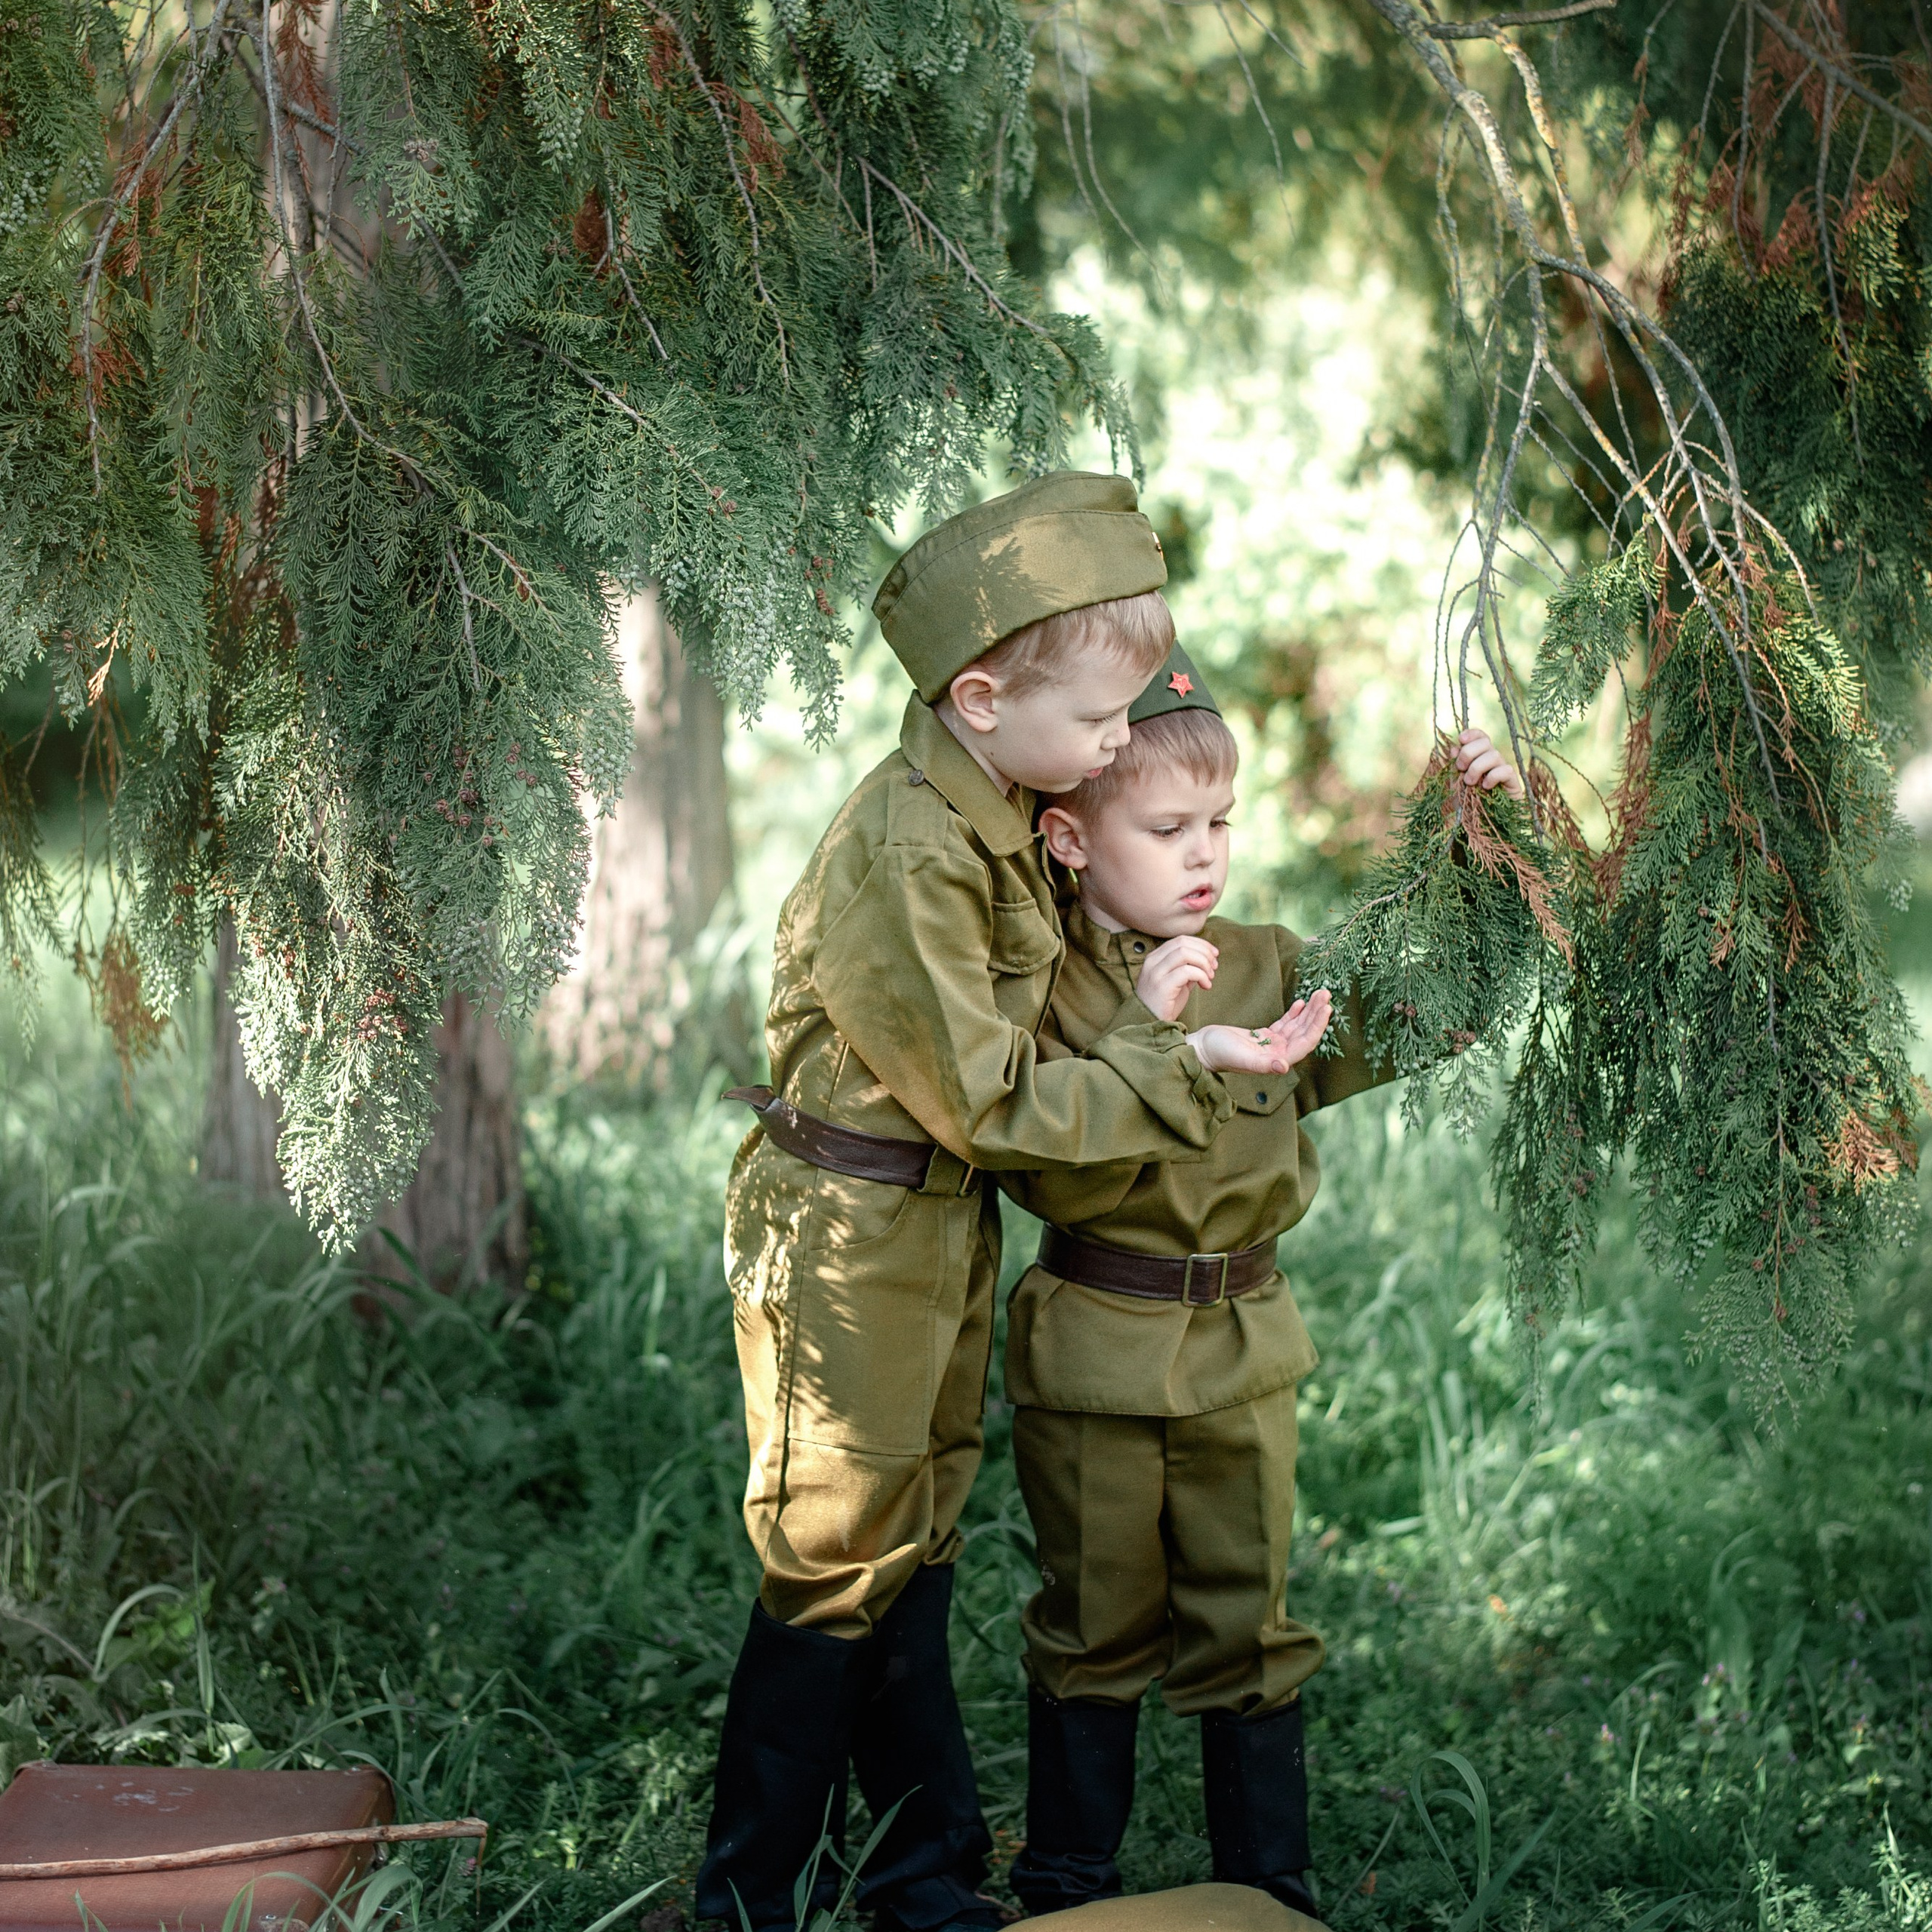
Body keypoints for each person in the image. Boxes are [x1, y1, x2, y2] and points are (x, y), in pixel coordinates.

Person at [697, 475, 1318, 1932]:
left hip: (933, 1221)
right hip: (852, 1234)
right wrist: (1177, 1061)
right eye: (1098, 721)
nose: (1117, 740)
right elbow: (988, 1103)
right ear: (980, 701)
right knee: (832, 1548)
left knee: (909, 1535)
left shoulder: (996, 811)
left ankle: (920, 1880)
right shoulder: (914, 847)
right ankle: (747, 1901)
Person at [1000, 645, 1523, 1921]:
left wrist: (1492, 855)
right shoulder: (1040, 984)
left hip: (1243, 1348)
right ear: (1069, 839)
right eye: (1168, 828)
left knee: (1251, 1619)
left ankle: (1269, 1889)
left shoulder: (1263, 961)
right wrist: (1149, 1036)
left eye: (1221, 823)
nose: (1205, 856)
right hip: (1097, 1350)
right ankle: (1066, 1884)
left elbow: (1428, 1014)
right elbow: (1041, 1164)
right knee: (1094, 1621)